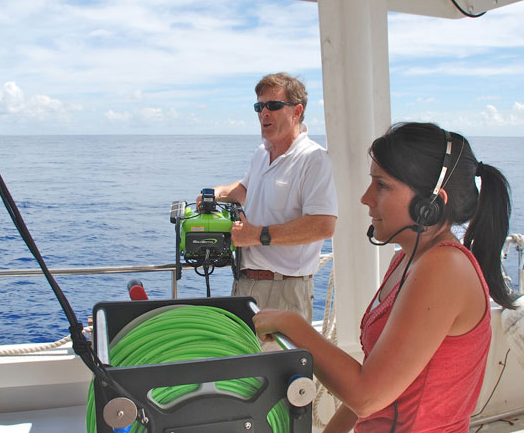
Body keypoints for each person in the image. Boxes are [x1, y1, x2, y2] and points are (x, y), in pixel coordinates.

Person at [253, 122, 517, 432]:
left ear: (430, 204)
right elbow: (374, 381)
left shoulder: (445, 269)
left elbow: (367, 396)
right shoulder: (406, 261)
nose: (366, 197)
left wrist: (292, 324)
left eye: (382, 184)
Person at [198, 72, 338, 324]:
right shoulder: (262, 153)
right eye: (259, 107)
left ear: (297, 111)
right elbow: (245, 190)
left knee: (276, 364)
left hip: (283, 290)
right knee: (244, 361)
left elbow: (324, 226)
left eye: (273, 106)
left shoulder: (313, 159)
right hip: (244, 283)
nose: (264, 113)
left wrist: (257, 235)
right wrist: (218, 192)